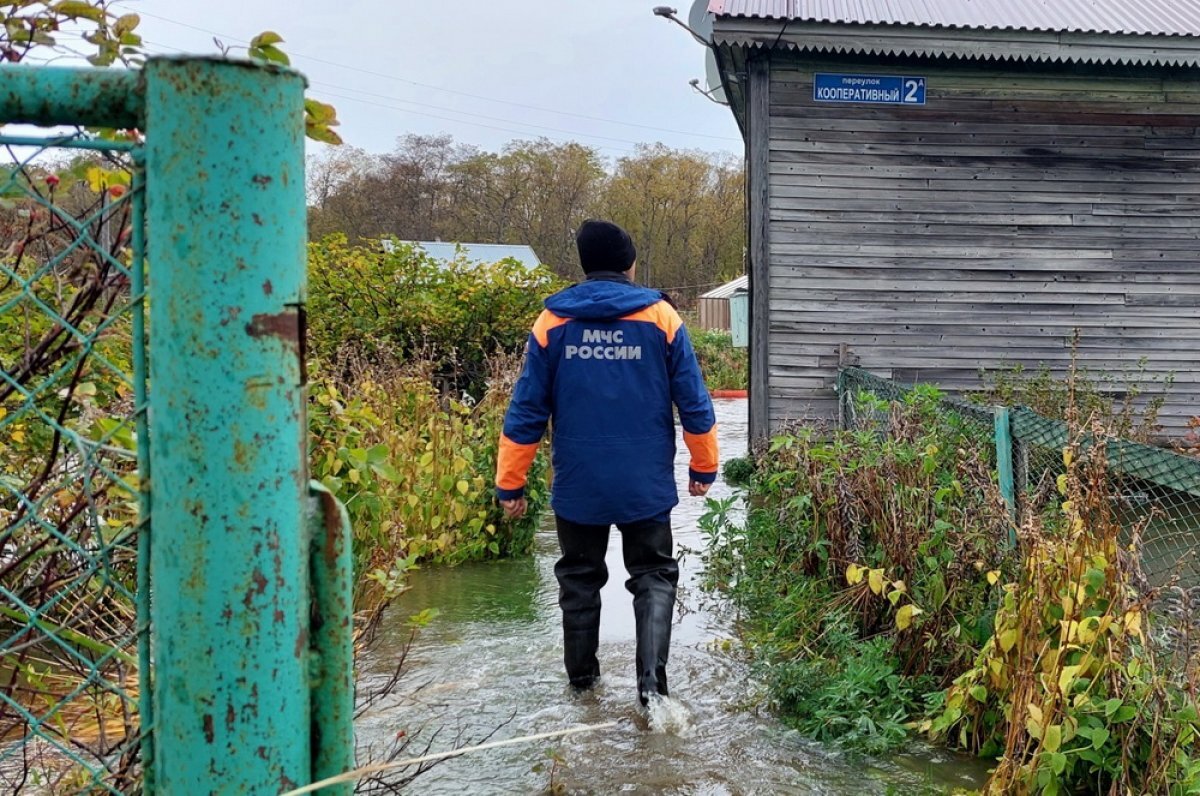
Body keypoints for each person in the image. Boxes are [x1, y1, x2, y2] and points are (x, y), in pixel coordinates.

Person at [494, 219, 719, 706]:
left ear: (584, 264)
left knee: (579, 579)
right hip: (644, 482)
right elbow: (693, 400)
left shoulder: (552, 321)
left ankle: (582, 691)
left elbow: (526, 409)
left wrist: (510, 482)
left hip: (579, 482)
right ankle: (652, 688)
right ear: (629, 263)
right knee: (653, 574)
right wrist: (703, 466)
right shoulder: (661, 317)